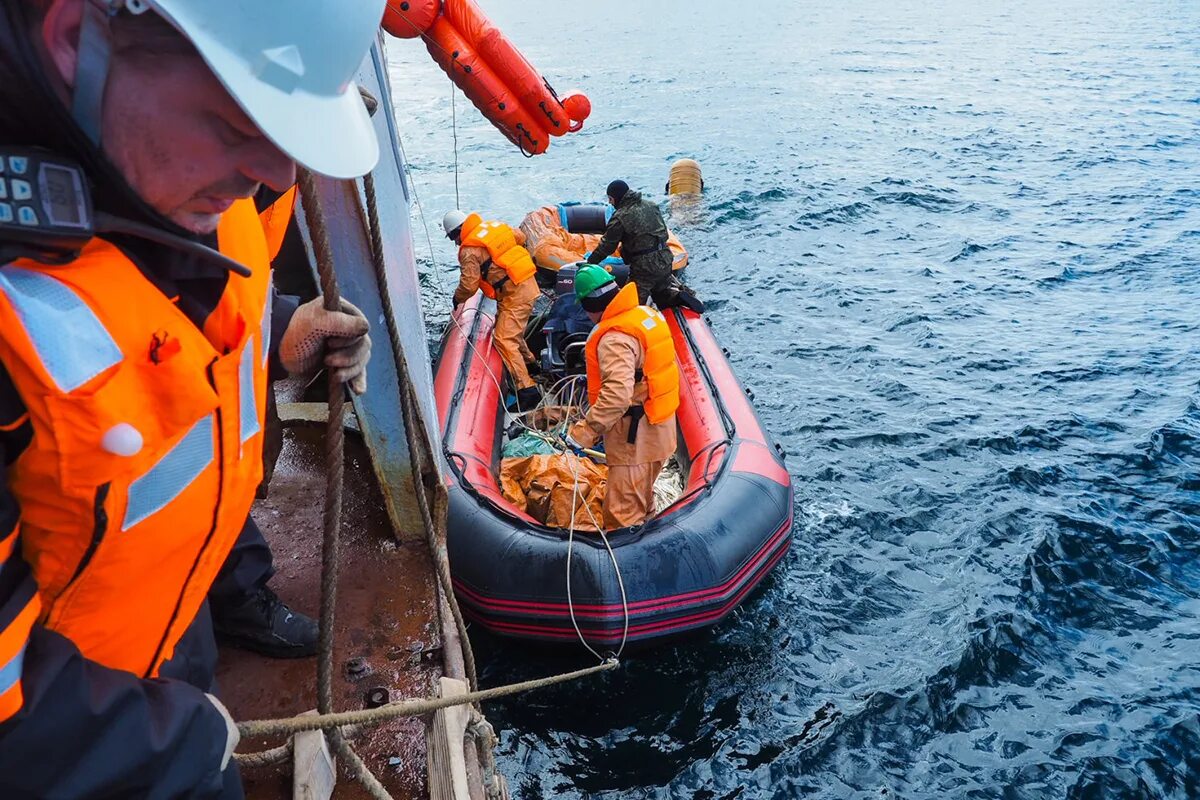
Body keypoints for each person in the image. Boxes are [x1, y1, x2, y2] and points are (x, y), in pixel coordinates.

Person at [0, 0, 382, 797]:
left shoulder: (163, 175)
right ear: (74, 37)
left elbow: (167, 305)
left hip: (173, 630)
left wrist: (287, 329)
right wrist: (175, 750)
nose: (276, 175)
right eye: (237, 122)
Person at [565, 266, 679, 529]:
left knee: (622, 513)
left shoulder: (615, 339)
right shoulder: (645, 314)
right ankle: (648, 527)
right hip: (660, 430)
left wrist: (583, 433)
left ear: (590, 306)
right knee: (643, 497)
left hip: (635, 441)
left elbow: (616, 396)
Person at [444, 209, 543, 411]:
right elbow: (520, 236)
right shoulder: (494, 227)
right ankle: (531, 364)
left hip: (515, 293)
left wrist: (457, 299)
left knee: (503, 339)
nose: (456, 242)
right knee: (508, 328)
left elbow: (469, 285)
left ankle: (528, 391)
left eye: (454, 238)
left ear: (456, 233)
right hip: (524, 284)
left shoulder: (469, 251)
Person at [586, 179, 675, 306]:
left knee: (630, 303)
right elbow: (663, 233)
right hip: (665, 259)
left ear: (616, 198)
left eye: (610, 199)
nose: (610, 203)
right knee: (662, 295)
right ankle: (676, 297)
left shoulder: (620, 217)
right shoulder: (651, 205)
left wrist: (590, 263)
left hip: (644, 269)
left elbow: (607, 246)